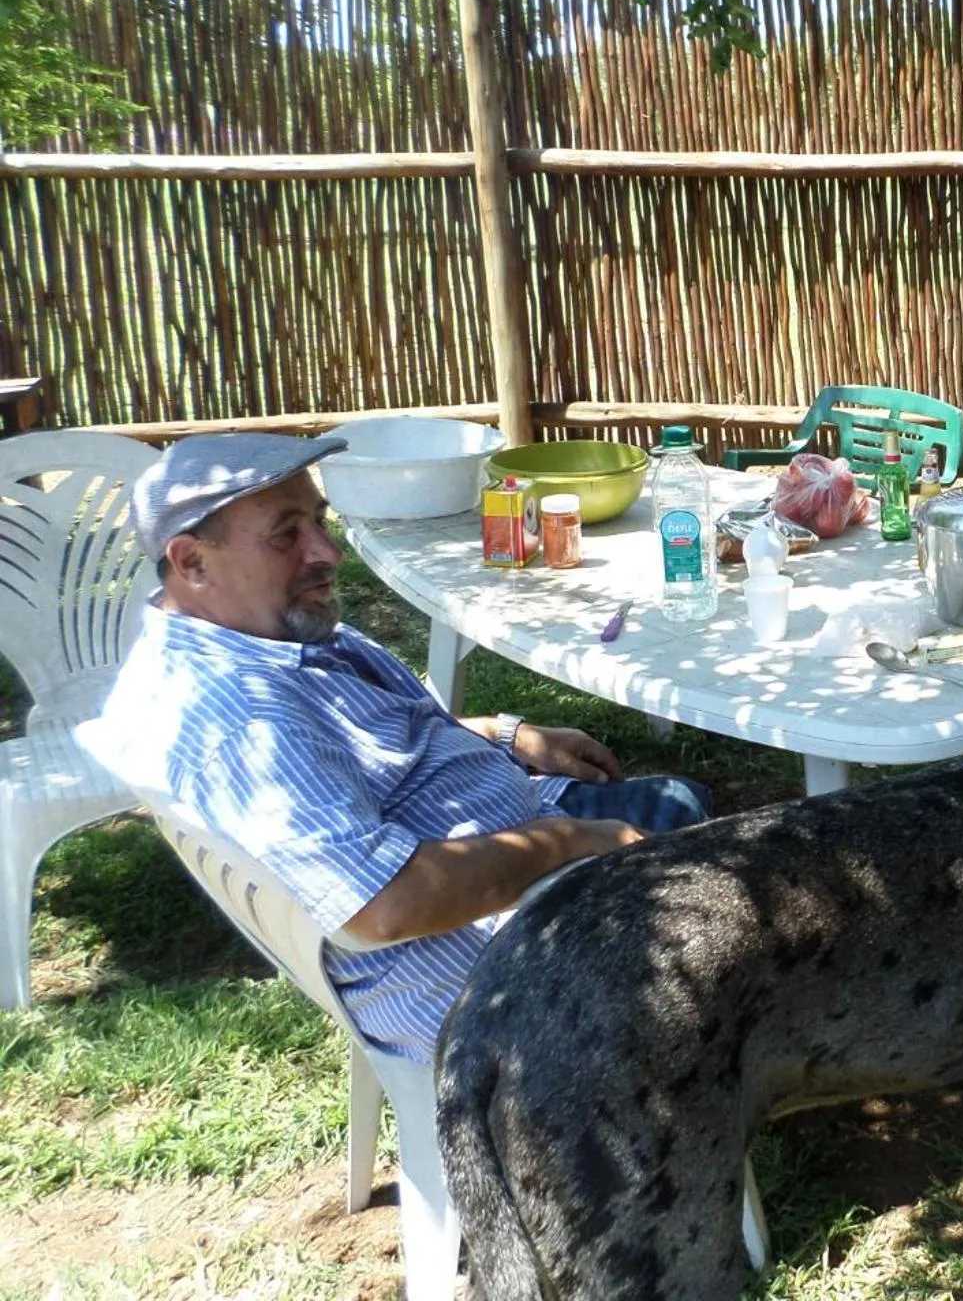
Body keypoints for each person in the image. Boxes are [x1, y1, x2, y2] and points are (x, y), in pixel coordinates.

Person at [81, 432, 715, 1066]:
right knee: (755, 886)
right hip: (506, 971)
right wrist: (581, 841)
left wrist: (505, 733)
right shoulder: (242, 720)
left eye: (320, 523)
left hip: (510, 850)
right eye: (286, 536)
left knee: (685, 803)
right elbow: (384, 905)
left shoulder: (249, 634)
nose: (326, 552)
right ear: (192, 563)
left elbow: (370, 738)